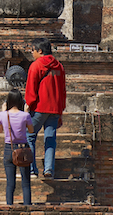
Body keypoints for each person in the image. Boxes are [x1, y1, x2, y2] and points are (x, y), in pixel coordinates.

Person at [25, 37, 67, 179]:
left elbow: (31, 89)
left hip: (39, 108)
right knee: (50, 139)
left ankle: (32, 169)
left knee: (28, 136)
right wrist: (61, 110)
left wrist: (28, 104)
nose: (32, 53)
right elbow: (62, 90)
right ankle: (48, 169)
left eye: (33, 50)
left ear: (40, 51)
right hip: (54, 109)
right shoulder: (59, 66)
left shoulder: (36, 66)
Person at [0, 90, 34, 206]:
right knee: (26, 182)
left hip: (9, 148)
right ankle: (27, 206)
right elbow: (31, 130)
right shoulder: (25, 115)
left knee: (10, 183)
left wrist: (3, 112)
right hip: (23, 149)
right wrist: (26, 112)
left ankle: (9, 206)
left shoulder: (3, 115)